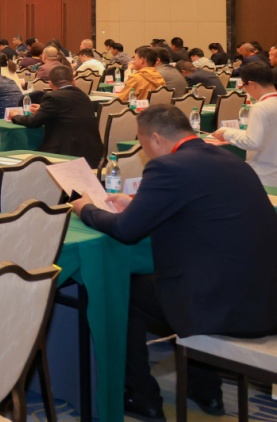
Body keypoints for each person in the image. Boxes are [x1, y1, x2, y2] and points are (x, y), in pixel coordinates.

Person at [72, 106, 277, 420]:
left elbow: (126, 231)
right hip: (262, 298)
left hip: (221, 306)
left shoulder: (168, 166)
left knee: (121, 291)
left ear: (155, 138)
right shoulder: (229, 160)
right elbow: (196, 206)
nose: (146, 154)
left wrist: (86, 209)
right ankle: (206, 391)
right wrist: (136, 203)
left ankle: (142, 396)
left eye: (144, 146)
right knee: (183, 280)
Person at [10, 65, 105, 167]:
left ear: (50, 84)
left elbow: (33, 122)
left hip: (66, 151)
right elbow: (67, 112)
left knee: (29, 157)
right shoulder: (83, 95)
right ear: (74, 82)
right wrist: (43, 109)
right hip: (91, 151)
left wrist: (16, 116)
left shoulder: (52, 97)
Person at [212, 60, 277, 186]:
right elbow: (267, 134)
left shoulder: (261, 107)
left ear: (252, 84)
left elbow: (252, 142)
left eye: (244, 86)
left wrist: (227, 134)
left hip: (264, 175)